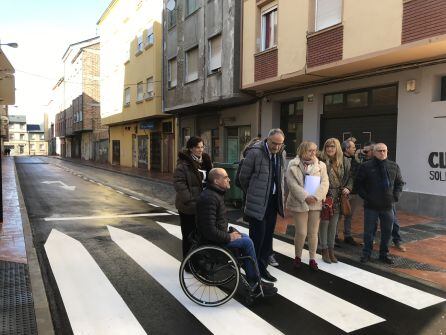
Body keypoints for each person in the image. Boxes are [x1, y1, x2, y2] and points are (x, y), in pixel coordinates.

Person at [195, 168, 277, 296]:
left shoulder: (214, 194)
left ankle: (254, 277)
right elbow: (209, 230)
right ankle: (254, 282)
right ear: (216, 181)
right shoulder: (210, 198)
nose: (229, 179)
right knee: (247, 242)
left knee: (243, 237)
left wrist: (230, 234)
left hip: (216, 237)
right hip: (212, 242)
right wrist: (228, 237)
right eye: (226, 177)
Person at [238, 129, 286, 282]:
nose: (277, 147)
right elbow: (242, 178)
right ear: (267, 139)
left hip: (273, 201)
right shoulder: (255, 152)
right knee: (257, 238)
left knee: (267, 238)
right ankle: (253, 269)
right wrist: (252, 193)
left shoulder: (280, 153)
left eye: (280, 144)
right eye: (274, 143)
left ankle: (262, 267)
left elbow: (280, 176)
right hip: (257, 202)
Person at [356, 143, 404, 264]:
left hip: (388, 206)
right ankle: (366, 254)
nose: (382, 153)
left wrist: (395, 197)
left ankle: (384, 254)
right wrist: (367, 197)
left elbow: (399, 183)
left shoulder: (394, 166)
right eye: (379, 151)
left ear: (387, 151)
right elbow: (359, 184)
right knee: (369, 232)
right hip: (371, 206)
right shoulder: (366, 166)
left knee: (387, 232)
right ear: (374, 152)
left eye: (384, 151)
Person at [286, 141, 329, 271]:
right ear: (302, 151)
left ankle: (312, 258)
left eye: (315, 150)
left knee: (313, 233)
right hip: (299, 202)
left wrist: (316, 197)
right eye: (310, 150)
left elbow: (325, 183)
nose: (313, 153)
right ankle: (298, 257)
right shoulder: (293, 164)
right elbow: (291, 184)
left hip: (315, 203)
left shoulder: (321, 165)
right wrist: (306, 196)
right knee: (301, 232)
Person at [173, 136, 212, 258]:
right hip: (188, 207)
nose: (200, 150)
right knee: (189, 235)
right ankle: (188, 263)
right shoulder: (183, 164)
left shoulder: (206, 161)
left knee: (201, 235)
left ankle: (198, 261)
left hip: (204, 205)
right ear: (190, 148)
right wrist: (190, 201)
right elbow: (179, 184)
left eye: (202, 147)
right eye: (197, 147)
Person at [320, 138, 353, 264]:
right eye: (327, 146)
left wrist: (348, 188)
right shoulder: (321, 159)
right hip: (325, 196)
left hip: (339, 196)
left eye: (332, 146)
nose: (330, 149)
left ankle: (331, 249)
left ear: (337, 147)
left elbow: (350, 177)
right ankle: (324, 249)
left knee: (333, 225)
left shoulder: (345, 161)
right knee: (324, 223)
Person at [339, 139, 360, 246]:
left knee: (349, 214)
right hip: (342, 192)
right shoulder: (339, 159)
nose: (355, 149)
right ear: (347, 149)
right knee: (337, 214)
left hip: (354, 192)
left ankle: (347, 235)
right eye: (353, 147)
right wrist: (344, 188)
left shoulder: (355, 160)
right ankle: (334, 236)